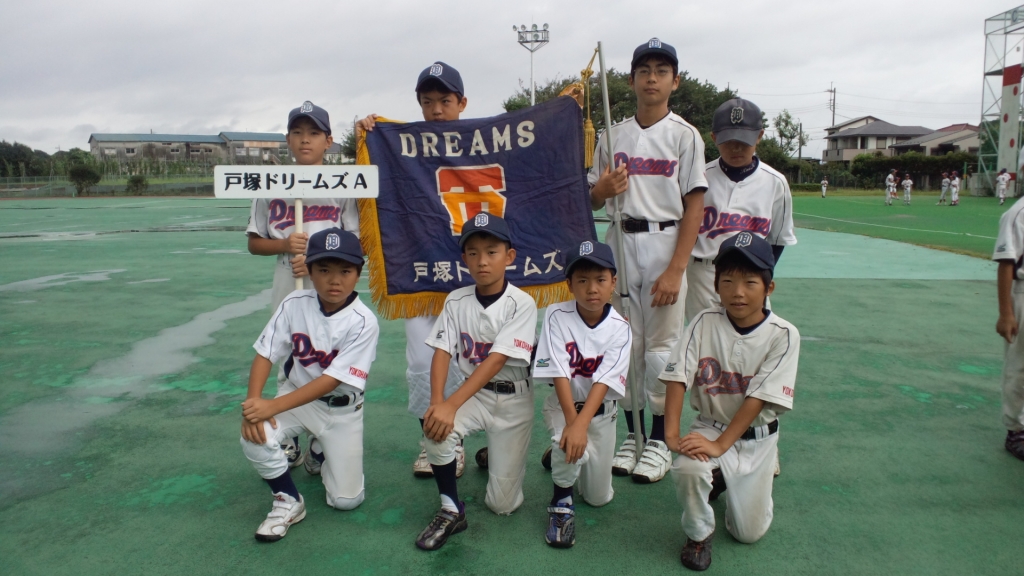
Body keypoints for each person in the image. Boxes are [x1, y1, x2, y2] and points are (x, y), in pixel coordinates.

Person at [588, 37, 707, 484]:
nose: (652, 78)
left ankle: (658, 439)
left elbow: (694, 205)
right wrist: (601, 191)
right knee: (623, 344)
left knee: (661, 349)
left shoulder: (684, 135)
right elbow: (590, 196)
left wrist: (677, 268)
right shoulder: (611, 135)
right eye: (644, 71)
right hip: (619, 239)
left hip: (664, 241)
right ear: (631, 79)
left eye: (661, 71)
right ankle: (632, 435)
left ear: (675, 81)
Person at [660, 231, 800, 571]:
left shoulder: (783, 334)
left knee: (747, 534)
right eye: (728, 281)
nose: (738, 292)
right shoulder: (704, 321)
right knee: (688, 466)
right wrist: (671, 435)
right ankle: (698, 533)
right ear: (716, 285)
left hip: (757, 439)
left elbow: (757, 398)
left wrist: (721, 446)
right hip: (710, 425)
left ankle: (728, 479)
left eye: (750, 282)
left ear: (768, 288)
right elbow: (678, 377)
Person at [357, 62, 469, 478]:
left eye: (445, 100)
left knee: (480, 361)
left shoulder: (485, 142)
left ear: (462, 103)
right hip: (421, 272)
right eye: (427, 101)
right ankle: (435, 440)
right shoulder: (402, 145)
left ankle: (478, 437)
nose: (436, 109)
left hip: (474, 273)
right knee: (424, 361)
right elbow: (372, 187)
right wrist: (368, 135)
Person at [239, 227, 379, 542]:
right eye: (324, 270)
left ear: (358, 273)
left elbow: (331, 381)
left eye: (345, 271)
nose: (334, 280)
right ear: (309, 271)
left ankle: (320, 450)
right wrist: (253, 405)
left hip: (342, 411)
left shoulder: (363, 321)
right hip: (297, 402)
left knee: (346, 501)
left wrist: (270, 407)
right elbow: (265, 353)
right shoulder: (294, 303)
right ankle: (288, 500)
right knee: (255, 436)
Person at [246, 101, 360, 470]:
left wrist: (315, 257)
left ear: (328, 140)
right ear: (288, 139)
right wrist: (284, 244)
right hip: (287, 274)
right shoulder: (269, 184)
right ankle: (290, 434)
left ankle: (321, 438)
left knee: (329, 351)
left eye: (313, 133)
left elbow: (355, 241)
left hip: (330, 278)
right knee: (290, 350)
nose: (305, 140)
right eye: (297, 132)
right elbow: (254, 242)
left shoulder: (343, 183)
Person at [416, 213, 539, 550]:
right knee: (436, 428)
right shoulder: (456, 299)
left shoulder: (522, 303)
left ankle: (493, 452)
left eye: (491, 252)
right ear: (464, 258)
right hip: (476, 396)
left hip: (514, 400)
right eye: (473, 253)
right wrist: (438, 404)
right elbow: (442, 350)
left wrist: (450, 404)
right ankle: (451, 509)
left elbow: (496, 360)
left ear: (509, 256)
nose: (482, 261)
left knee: (502, 505)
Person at [534, 240, 632, 548]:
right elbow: (559, 371)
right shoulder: (556, 314)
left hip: (601, 416)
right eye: (582, 280)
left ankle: (561, 455)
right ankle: (561, 503)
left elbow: (603, 381)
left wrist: (581, 425)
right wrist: (572, 424)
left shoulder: (621, 327)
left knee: (598, 498)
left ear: (613, 282)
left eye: (600, 279)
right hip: (562, 408)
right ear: (569, 284)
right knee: (567, 443)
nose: (592, 289)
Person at [685, 97, 796, 325]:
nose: (736, 148)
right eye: (728, 141)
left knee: (752, 337)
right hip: (703, 273)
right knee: (704, 339)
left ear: (760, 136)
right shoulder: (699, 176)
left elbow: (778, 240)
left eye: (743, 141)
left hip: (751, 274)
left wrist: (760, 275)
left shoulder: (776, 182)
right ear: (714, 137)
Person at [993, 197, 1024, 462]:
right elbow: (1006, 263)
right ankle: (1016, 430)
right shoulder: (1018, 213)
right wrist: (1006, 313)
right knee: (1020, 366)